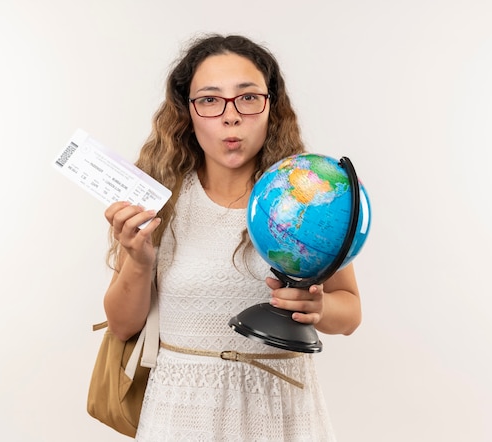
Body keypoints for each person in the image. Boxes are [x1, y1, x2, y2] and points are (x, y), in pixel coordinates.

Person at [102, 33, 361, 441]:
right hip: (180, 414)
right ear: (186, 112)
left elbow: (349, 313)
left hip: (280, 414)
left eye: (247, 97)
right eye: (209, 99)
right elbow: (121, 325)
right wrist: (138, 261)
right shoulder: (157, 199)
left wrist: (318, 307)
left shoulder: (302, 195)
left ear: (271, 107)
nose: (230, 116)